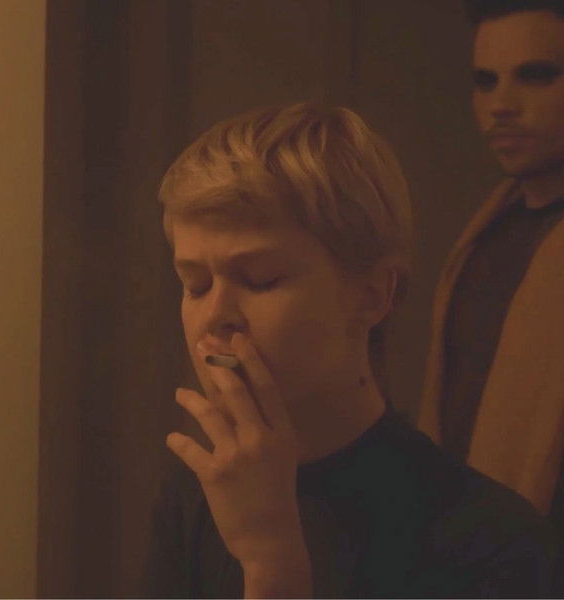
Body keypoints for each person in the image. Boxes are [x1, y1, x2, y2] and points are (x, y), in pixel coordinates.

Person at [146, 102, 553, 598]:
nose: (216, 315)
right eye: (195, 285)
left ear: (372, 295)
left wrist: (270, 564)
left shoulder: (493, 543)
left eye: (260, 279)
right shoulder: (194, 496)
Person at [418, 0, 564, 537]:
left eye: (536, 75)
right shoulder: (485, 234)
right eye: (485, 81)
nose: (500, 105)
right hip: (468, 545)